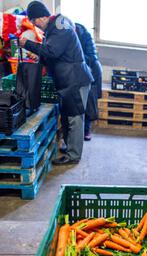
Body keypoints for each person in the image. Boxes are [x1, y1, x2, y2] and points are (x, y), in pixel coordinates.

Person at [19, 1, 93, 165]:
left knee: (75, 118)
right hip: (67, 80)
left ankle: (73, 155)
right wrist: (39, 57)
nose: (34, 25)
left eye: (34, 21)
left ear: (42, 17)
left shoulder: (59, 28)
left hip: (74, 80)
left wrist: (28, 44)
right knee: (68, 117)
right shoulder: (54, 28)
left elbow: (52, 51)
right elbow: (56, 54)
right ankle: (70, 148)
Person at [75, 22, 102, 141]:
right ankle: (78, 131)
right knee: (80, 101)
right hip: (79, 71)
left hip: (91, 71)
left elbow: (90, 57)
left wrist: (74, 55)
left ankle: (86, 130)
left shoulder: (85, 35)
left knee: (88, 101)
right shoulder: (67, 35)